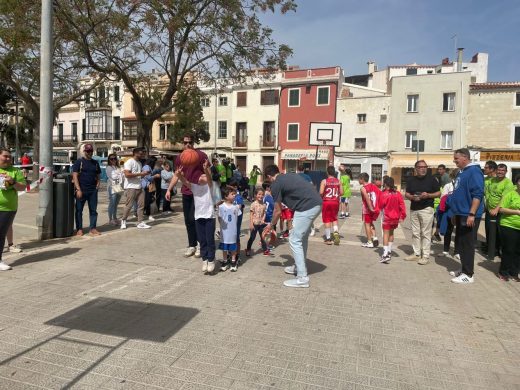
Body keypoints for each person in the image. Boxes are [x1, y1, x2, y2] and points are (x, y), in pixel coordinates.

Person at [262, 164, 322, 288]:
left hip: (305, 207)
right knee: (302, 238)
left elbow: (277, 211)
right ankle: (299, 266)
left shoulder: (275, 184)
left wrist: (270, 225)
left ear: (269, 176)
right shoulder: (288, 175)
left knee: (294, 240)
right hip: (316, 203)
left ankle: (302, 278)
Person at [166, 134, 208, 258]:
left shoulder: (201, 156)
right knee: (188, 220)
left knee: (196, 219)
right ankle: (192, 245)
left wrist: (208, 184)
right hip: (186, 191)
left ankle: (201, 244)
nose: (187, 145)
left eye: (189, 142)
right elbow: (177, 175)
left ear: (194, 143)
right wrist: (169, 189)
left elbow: (208, 172)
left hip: (199, 192)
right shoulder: (179, 158)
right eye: (185, 143)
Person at [447, 148, 485, 284]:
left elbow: (478, 194)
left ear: (465, 157)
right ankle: (463, 269)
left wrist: (471, 214)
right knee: (461, 244)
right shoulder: (462, 172)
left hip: (468, 214)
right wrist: (454, 213)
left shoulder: (474, 172)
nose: (454, 161)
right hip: (460, 213)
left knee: (467, 244)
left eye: (456, 158)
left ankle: (468, 274)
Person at [175, 160, 217, 274]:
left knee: (210, 240)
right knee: (202, 240)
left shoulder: (209, 187)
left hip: (209, 217)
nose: (202, 177)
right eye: (201, 176)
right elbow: (184, 181)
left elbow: (209, 179)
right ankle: (205, 259)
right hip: (198, 217)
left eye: (204, 175)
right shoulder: (194, 187)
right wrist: (179, 175)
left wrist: (205, 170)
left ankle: (211, 259)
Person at [404, 160, 440, 264]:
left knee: (425, 233)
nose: (423, 168)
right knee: (415, 233)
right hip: (414, 208)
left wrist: (428, 195)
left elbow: (438, 193)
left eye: (425, 167)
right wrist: (411, 197)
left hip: (427, 208)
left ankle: (425, 256)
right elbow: (407, 193)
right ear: (416, 168)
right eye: (420, 167)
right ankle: (416, 254)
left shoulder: (432, 179)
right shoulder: (411, 179)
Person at [0, 148, 27, 271]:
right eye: (5, 156)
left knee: (1, 234)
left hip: (8, 208)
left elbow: (22, 187)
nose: (8, 158)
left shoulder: (15, 171)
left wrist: (12, 182)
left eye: (9, 157)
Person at [484, 163, 515, 257]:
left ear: (506, 171)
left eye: (502, 170)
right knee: (489, 230)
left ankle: (501, 251)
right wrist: (488, 208)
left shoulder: (508, 183)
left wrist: (496, 209)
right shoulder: (493, 180)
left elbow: (504, 198)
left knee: (500, 232)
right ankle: (492, 250)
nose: (500, 172)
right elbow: (488, 193)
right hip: (490, 210)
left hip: (500, 211)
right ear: (496, 170)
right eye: (499, 170)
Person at [72, 143, 102, 236]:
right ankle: (79, 229)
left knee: (93, 210)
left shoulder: (95, 163)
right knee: (79, 210)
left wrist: (98, 184)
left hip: (92, 191)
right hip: (81, 190)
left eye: (91, 151)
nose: (89, 153)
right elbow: (75, 175)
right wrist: (78, 189)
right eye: (88, 151)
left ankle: (93, 228)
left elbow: (98, 175)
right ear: (84, 151)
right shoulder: (79, 162)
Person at [120, 147, 151, 230]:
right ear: (136, 153)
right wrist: (141, 174)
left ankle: (140, 222)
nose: (142, 155)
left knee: (141, 206)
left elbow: (138, 175)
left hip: (139, 186)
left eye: (143, 153)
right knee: (129, 206)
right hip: (131, 187)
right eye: (141, 153)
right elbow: (127, 175)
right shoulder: (129, 162)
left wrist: (144, 174)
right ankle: (123, 220)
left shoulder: (139, 163)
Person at [497, 174, 520, 281]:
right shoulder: (511, 194)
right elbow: (501, 209)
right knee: (509, 249)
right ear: (517, 182)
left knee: (518, 251)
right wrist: (516, 212)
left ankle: (514, 272)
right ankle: (504, 272)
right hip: (508, 225)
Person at [379, 176, 406, 263]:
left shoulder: (383, 194)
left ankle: (385, 254)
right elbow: (402, 205)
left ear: (385, 184)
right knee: (391, 233)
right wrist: (402, 216)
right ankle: (389, 250)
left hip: (387, 217)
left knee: (385, 234)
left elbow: (380, 205)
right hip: (395, 218)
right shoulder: (397, 194)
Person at [218, 187, 242, 272]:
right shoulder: (221, 207)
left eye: (234, 194)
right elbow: (219, 218)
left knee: (233, 248)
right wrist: (221, 227)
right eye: (232, 194)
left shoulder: (236, 207)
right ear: (226, 196)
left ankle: (233, 261)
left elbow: (238, 217)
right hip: (224, 232)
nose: (234, 195)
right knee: (224, 248)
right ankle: (225, 261)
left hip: (233, 231)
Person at [439, 168, 460, 258]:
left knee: (459, 232)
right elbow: (443, 198)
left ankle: (457, 252)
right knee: (448, 231)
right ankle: (445, 250)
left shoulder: (463, 185)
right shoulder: (448, 186)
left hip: (460, 211)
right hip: (449, 211)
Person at [319, 166, 342, 245]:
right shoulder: (338, 181)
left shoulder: (324, 181)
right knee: (334, 218)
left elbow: (321, 192)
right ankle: (336, 234)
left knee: (327, 219)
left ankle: (328, 239)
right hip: (335, 202)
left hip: (327, 202)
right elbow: (341, 192)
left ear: (327, 172)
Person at [358, 172, 381, 248]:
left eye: (359, 179)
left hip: (367, 208)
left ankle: (369, 241)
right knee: (371, 223)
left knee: (367, 224)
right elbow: (379, 194)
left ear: (362, 179)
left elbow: (367, 199)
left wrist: (370, 208)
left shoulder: (363, 188)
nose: (358, 180)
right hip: (374, 207)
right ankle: (374, 237)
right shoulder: (373, 185)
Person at [245, 188, 269, 256]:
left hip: (261, 224)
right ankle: (248, 249)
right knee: (252, 237)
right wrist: (251, 224)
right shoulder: (253, 204)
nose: (260, 196)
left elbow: (264, 213)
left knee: (263, 237)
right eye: (259, 194)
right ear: (255, 195)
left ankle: (265, 250)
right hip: (254, 224)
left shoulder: (264, 204)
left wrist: (263, 220)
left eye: (262, 194)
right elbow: (251, 214)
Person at [482, 160, 497, 252]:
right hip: (488, 208)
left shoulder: (498, 180)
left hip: (497, 209)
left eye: (486, 167)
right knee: (488, 228)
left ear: (492, 169)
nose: (484, 169)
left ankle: (496, 249)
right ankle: (489, 246)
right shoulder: (485, 179)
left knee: (497, 231)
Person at [106, 153, 124, 226]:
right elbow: (113, 177)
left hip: (119, 186)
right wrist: (120, 174)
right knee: (112, 203)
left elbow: (122, 177)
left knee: (116, 204)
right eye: (111, 159)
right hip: (112, 187)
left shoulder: (118, 167)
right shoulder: (109, 167)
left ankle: (115, 218)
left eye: (114, 158)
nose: (113, 160)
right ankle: (110, 220)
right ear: (109, 160)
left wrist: (120, 174)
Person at [142, 157, 160, 221]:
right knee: (148, 200)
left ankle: (147, 212)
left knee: (149, 199)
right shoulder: (147, 167)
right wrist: (155, 176)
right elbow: (148, 177)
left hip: (149, 186)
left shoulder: (147, 167)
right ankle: (148, 214)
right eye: (155, 162)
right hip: (148, 186)